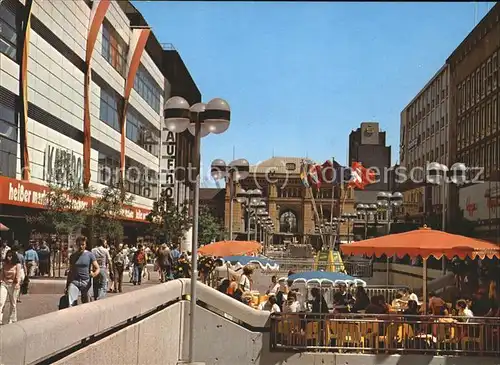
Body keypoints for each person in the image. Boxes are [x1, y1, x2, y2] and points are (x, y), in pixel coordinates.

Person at [65, 236, 100, 307]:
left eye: (83, 244)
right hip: (75, 281)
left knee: (86, 303)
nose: (81, 246)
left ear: (85, 245)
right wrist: (67, 285)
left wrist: (95, 273)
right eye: (79, 245)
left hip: (86, 282)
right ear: (76, 244)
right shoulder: (73, 256)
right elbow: (71, 271)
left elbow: (97, 268)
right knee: (71, 303)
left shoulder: (90, 255)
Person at [0, 250, 21, 324]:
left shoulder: (17, 265)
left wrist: (18, 283)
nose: (9, 257)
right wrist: (1, 281)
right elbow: (2, 274)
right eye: (8, 255)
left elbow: (18, 275)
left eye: (11, 256)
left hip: (13, 285)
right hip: (5, 284)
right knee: (1, 302)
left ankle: (11, 319)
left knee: (13, 303)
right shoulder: (4, 264)